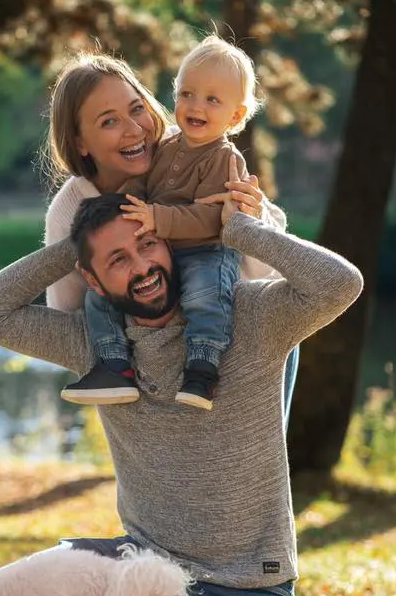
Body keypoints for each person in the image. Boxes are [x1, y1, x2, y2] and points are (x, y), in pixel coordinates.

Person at [0, 186, 363, 596]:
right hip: (137, 568)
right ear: (93, 282)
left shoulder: (253, 314)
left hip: (244, 584)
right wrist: (72, 246)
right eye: (118, 259)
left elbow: (342, 284)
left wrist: (239, 229)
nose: (143, 266)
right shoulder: (97, 347)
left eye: (149, 244)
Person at [35, 50, 302, 421]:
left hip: (242, 337)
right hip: (154, 366)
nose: (134, 129)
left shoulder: (192, 144)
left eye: (137, 108)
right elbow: (69, 319)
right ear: (80, 141)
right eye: (109, 121)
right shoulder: (74, 209)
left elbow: (270, 270)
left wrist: (248, 218)